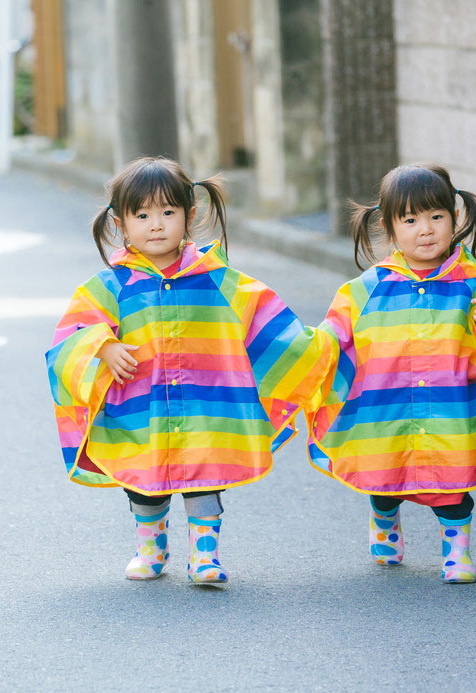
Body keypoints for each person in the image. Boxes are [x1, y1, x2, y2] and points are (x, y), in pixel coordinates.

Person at [46, 157, 330, 584]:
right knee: (143, 481)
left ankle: (205, 555)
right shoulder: (112, 285)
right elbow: (71, 334)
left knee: (204, 477)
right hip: (141, 408)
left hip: (203, 406)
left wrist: (328, 345)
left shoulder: (217, 280)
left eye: (167, 212)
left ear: (189, 216)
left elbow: (268, 322)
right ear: (122, 224)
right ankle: (150, 548)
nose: (155, 225)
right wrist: (101, 346)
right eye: (141, 215)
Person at [304, 163, 476, 583]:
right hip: (385, 405)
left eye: (436, 217)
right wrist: (296, 354)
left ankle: (457, 555)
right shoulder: (367, 288)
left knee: (452, 487)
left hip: (452, 409)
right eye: (410, 220)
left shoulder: (474, 286)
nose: (425, 230)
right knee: (383, 476)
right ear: (390, 228)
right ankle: (385, 524)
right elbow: (331, 337)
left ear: (455, 219)